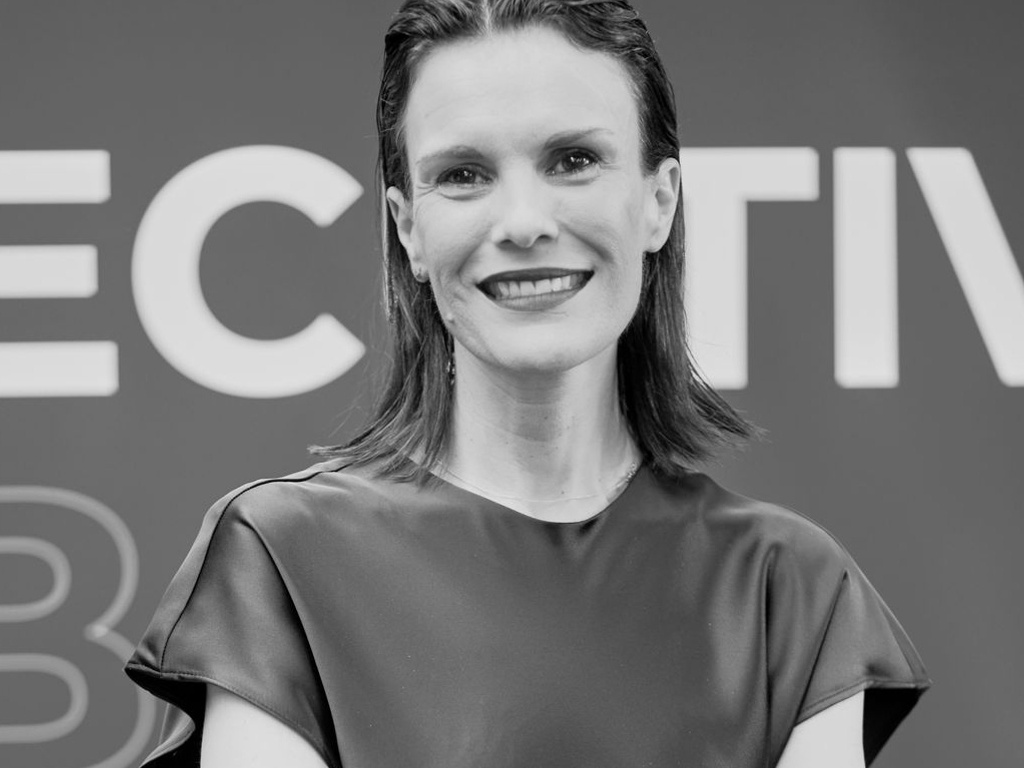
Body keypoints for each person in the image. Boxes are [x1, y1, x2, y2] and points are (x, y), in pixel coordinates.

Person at [124, 0, 932, 766]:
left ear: (659, 202)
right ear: (408, 227)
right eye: (465, 175)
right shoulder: (279, 559)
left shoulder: (790, 590)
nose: (523, 222)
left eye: (574, 160)